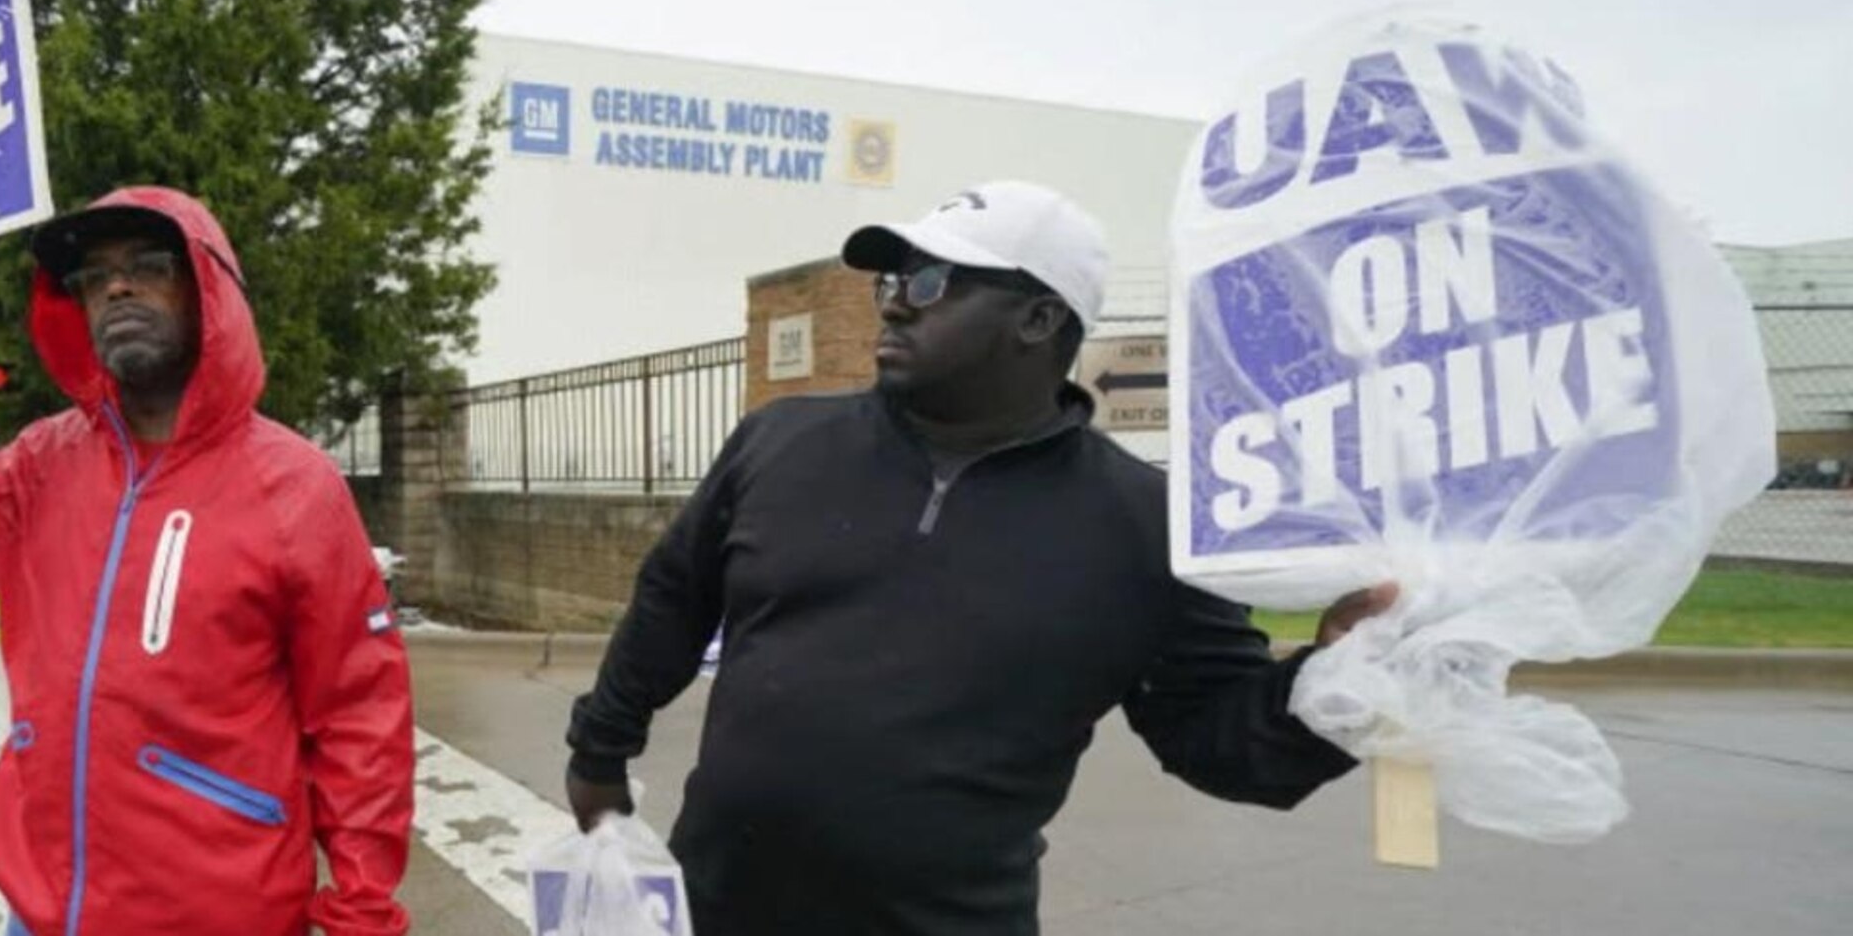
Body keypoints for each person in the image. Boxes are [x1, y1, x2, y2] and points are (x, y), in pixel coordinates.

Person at [563, 181, 1398, 936]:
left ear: (1037, 319)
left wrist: (1339, 679)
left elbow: (1220, 739)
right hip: (723, 905)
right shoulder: (780, 442)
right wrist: (600, 746)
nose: (894, 306)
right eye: (892, 283)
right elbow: (674, 597)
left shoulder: (1143, 524)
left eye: (931, 284)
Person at [0, 187, 414, 936]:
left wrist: (361, 912)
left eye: (148, 264)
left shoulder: (297, 488)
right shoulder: (38, 465)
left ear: (208, 288)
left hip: (218, 915)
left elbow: (359, 720)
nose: (116, 285)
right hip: (43, 912)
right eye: (94, 276)